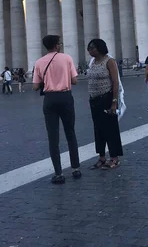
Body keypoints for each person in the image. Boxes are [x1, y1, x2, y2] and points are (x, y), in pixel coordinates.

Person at [32, 35, 81, 184]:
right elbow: (75, 81)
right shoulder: (66, 58)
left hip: (50, 100)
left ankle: (58, 173)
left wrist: (46, 82)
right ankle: (75, 168)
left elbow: (35, 86)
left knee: (53, 138)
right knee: (70, 133)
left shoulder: (39, 62)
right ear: (57, 45)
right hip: (65, 97)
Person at [86, 39, 123, 170]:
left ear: (100, 48)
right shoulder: (93, 62)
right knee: (98, 129)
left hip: (107, 98)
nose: (90, 50)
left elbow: (115, 82)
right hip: (94, 100)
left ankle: (114, 157)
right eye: (89, 48)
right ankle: (101, 157)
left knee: (111, 129)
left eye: (92, 48)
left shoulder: (110, 61)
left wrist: (114, 101)